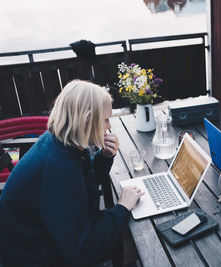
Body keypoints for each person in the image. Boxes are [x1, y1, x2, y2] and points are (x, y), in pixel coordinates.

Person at [0, 80, 144, 266]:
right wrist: (122, 207)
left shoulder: (61, 141)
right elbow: (82, 251)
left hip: (46, 235)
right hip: (34, 255)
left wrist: (104, 158)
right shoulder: (58, 167)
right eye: (106, 119)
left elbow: (81, 186)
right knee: (131, 242)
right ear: (86, 120)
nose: (109, 126)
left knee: (126, 229)